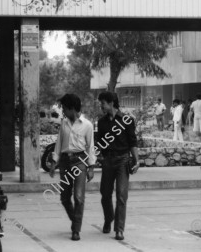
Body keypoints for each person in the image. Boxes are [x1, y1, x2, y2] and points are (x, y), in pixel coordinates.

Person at [51, 94, 96, 241]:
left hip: (80, 162)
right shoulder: (64, 123)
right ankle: (75, 220)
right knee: (64, 197)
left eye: (64, 108)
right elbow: (59, 143)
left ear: (72, 108)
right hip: (64, 162)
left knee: (79, 197)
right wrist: (54, 162)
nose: (63, 111)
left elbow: (90, 147)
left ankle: (76, 230)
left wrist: (91, 167)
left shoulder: (87, 125)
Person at [97, 91, 139, 241]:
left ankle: (119, 229)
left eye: (102, 103)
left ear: (111, 103)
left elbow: (133, 142)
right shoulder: (101, 123)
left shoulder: (127, 120)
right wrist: (99, 157)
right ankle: (109, 219)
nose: (100, 105)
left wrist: (137, 160)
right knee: (105, 194)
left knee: (122, 195)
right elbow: (99, 143)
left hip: (123, 161)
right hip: (107, 161)